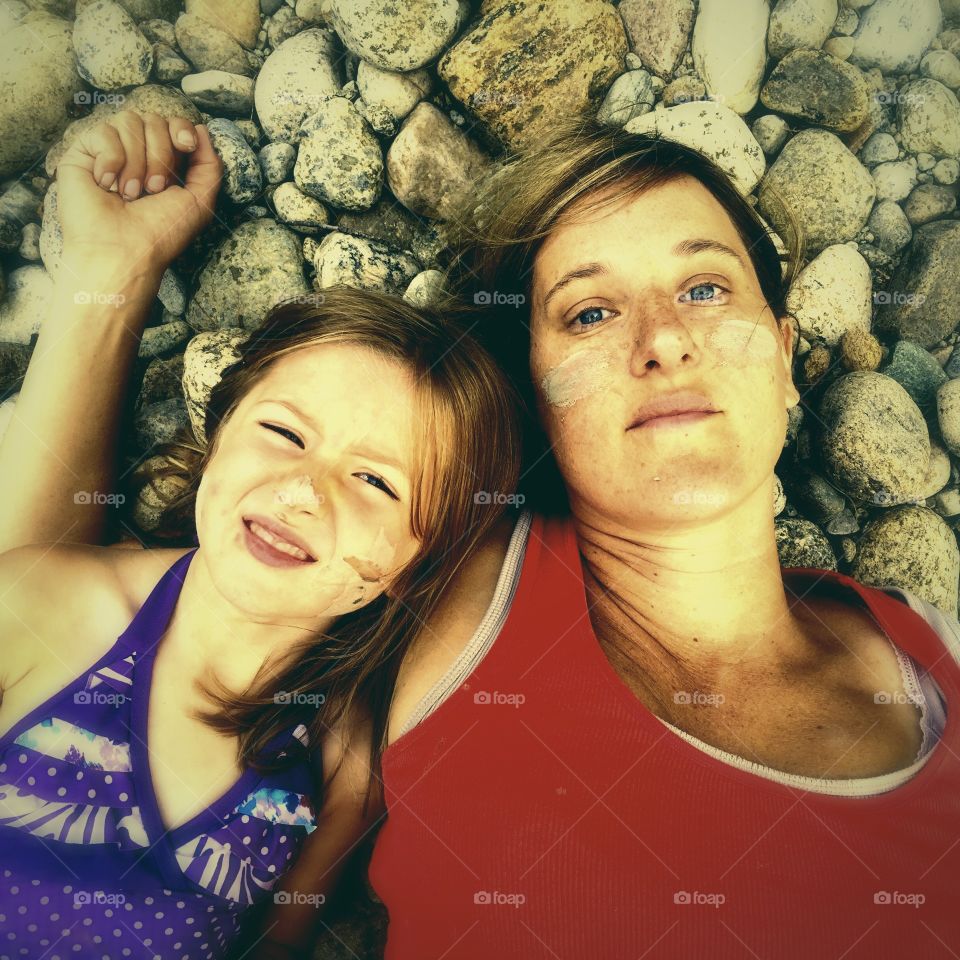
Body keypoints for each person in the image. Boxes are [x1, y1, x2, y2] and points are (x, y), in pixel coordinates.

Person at [6, 113, 960, 959]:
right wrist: (109, 278)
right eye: (589, 311)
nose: (664, 338)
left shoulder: (936, 649)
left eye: (706, 288)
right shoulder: (464, 570)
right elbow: (48, 598)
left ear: (788, 355)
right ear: (536, 405)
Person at [0, 112, 521, 960]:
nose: (302, 492)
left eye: (377, 481)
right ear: (217, 439)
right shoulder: (40, 604)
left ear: (410, 568)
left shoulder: (339, 768)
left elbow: (276, 945)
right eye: (283, 432)